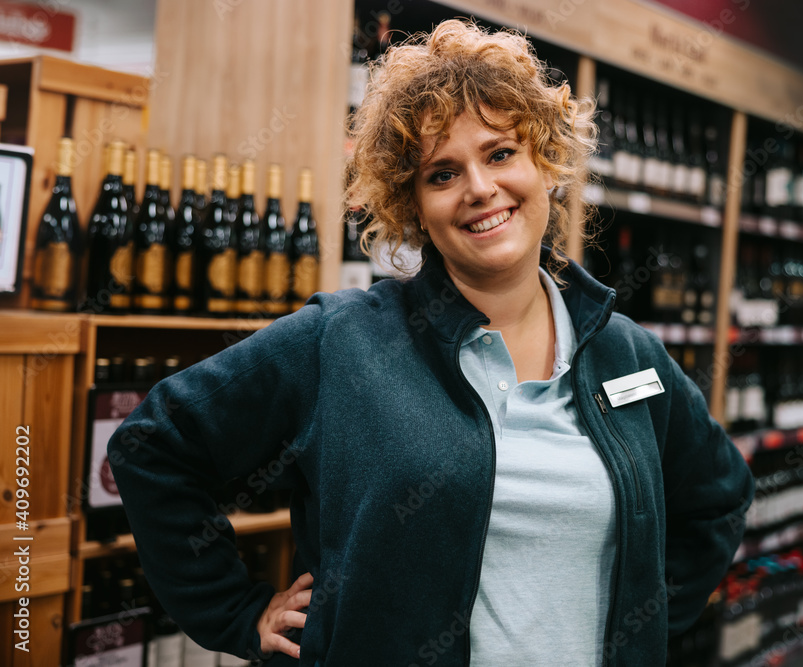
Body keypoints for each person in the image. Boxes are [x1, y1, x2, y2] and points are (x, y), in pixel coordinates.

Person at [109, 18, 753, 666]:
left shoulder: (625, 353)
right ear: (412, 203)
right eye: (442, 173)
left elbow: (718, 493)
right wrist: (238, 611)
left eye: (501, 153)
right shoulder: (342, 341)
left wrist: (640, 622)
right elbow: (152, 446)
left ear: (546, 162)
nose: (479, 187)